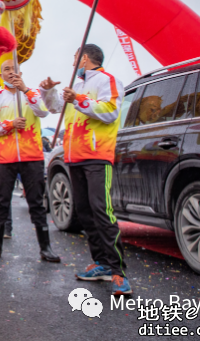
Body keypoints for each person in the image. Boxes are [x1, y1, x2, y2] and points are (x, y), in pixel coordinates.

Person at [40, 43, 130, 295]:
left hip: (97, 156)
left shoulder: (108, 80)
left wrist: (78, 99)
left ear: (85, 58)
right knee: (85, 212)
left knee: (102, 211)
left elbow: (110, 111)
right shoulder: (77, 86)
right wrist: (48, 91)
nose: (73, 62)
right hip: (74, 157)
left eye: (75, 57)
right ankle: (100, 262)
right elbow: (56, 107)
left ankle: (118, 271)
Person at [0, 60, 59, 263]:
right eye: (6, 69)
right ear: (1, 75)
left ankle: (46, 248)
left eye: (13, 69)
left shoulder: (32, 93)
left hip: (31, 157)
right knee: (1, 203)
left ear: (20, 71)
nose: (11, 72)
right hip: (4, 159)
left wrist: (24, 89)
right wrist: (10, 125)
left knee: (36, 203)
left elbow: (43, 111)